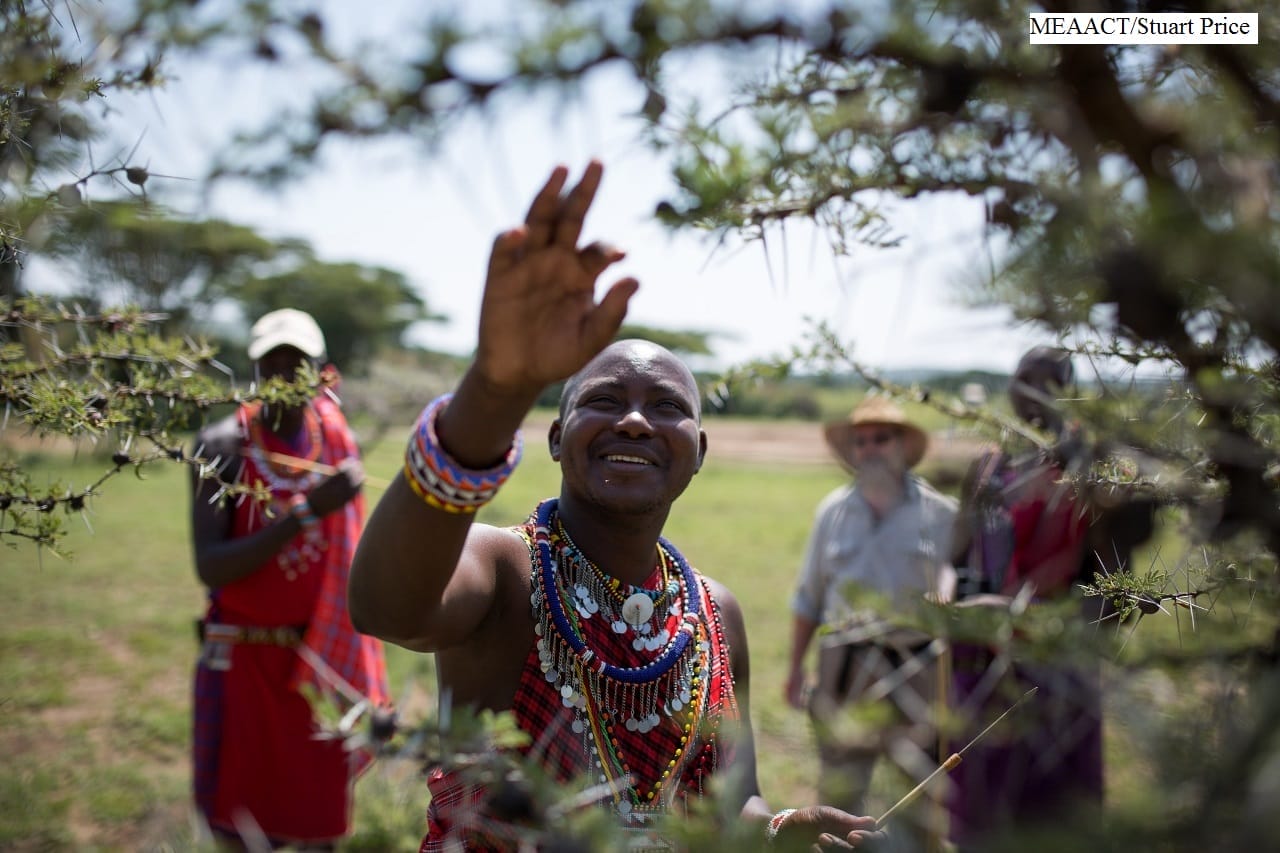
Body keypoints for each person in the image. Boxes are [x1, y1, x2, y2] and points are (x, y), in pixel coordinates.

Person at [348, 161, 881, 851]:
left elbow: (733, 798)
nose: (634, 421)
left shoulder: (716, 614)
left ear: (698, 450)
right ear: (555, 435)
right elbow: (386, 606)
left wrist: (778, 829)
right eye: (603, 400)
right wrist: (494, 388)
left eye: (666, 407)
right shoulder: (505, 569)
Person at [189, 308, 389, 850]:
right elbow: (211, 565)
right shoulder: (222, 446)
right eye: (270, 364)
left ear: (324, 373)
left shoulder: (336, 443)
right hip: (244, 665)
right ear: (254, 371)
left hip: (320, 662)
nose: (283, 376)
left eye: (296, 364)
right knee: (244, 832)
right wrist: (304, 513)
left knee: (318, 831)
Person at [941, 346, 1154, 850]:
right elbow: (957, 551)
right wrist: (955, 604)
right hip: (982, 655)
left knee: (1055, 797)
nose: (1035, 394)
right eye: (1025, 380)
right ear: (1010, 387)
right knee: (980, 789)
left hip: (1057, 657)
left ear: (1070, 391)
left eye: (1051, 382)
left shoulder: (1094, 468)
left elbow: (1113, 580)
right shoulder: (988, 466)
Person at [786, 396, 957, 846]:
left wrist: (947, 589)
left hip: (915, 666)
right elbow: (808, 598)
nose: (870, 449)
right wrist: (792, 671)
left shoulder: (941, 513)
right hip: (843, 668)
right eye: (860, 442)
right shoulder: (832, 511)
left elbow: (954, 571)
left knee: (921, 792)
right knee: (841, 792)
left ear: (902, 444)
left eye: (881, 438)